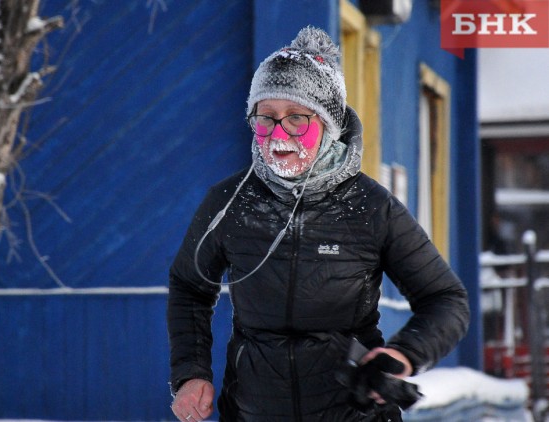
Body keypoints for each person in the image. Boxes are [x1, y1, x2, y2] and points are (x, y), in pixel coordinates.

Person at [167, 26, 470, 422]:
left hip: (353, 412)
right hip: (253, 412)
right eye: (266, 117)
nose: (278, 133)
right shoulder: (230, 203)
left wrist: (402, 355)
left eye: (296, 118)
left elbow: (446, 300)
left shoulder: (371, 207)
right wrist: (190, 372)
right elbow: (190, 287)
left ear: (328, 124)